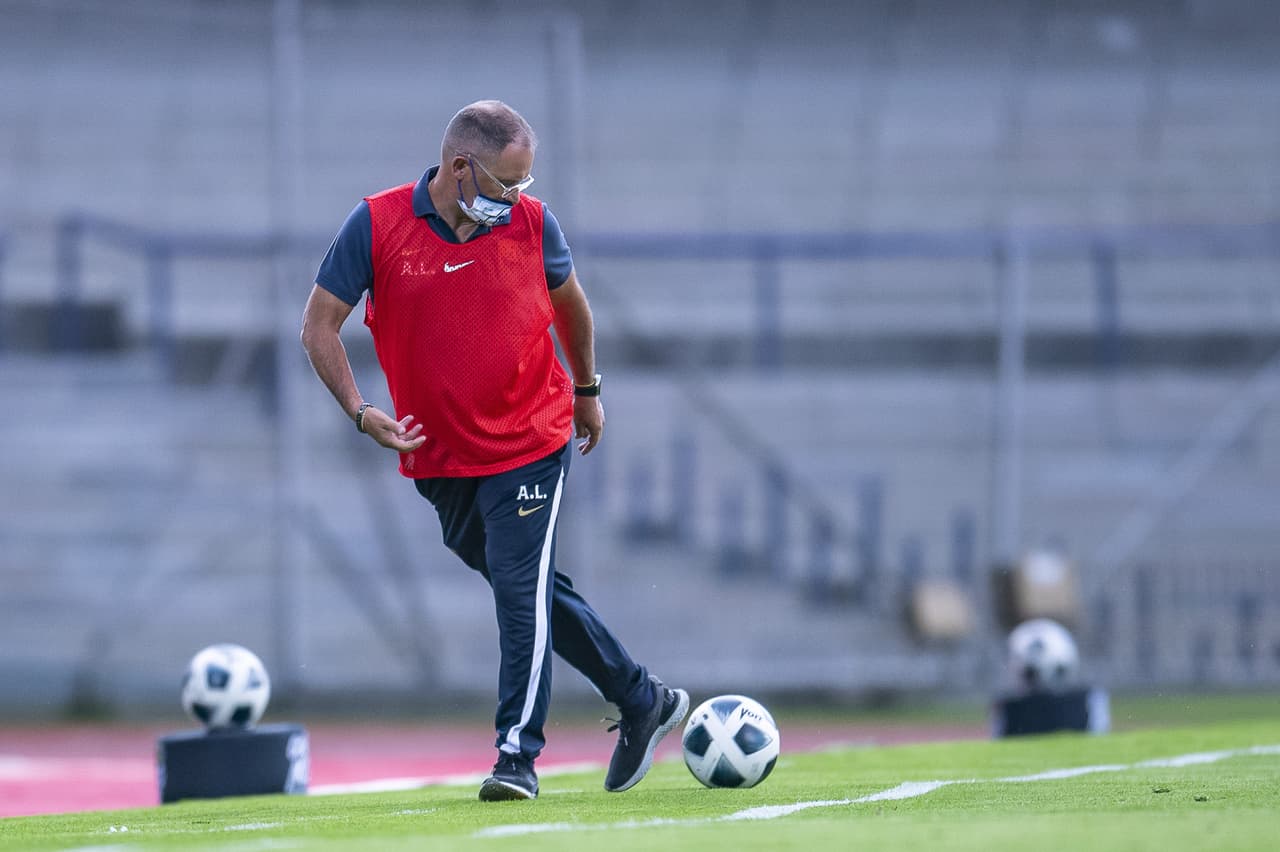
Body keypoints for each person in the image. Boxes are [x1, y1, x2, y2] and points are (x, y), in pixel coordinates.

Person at [300, 100, 688, 802]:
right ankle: (641, 699)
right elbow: (319, 326)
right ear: (459, 167)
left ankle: (517, 757)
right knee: (534, 590)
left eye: (524, 186)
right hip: (441, 458)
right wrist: (360, 412)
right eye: (507, 184)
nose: (517, 200)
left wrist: (587, 389)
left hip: (532, 441)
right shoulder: (378, 223)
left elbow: (572, 306)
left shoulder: (535, 227)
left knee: (518, 591)